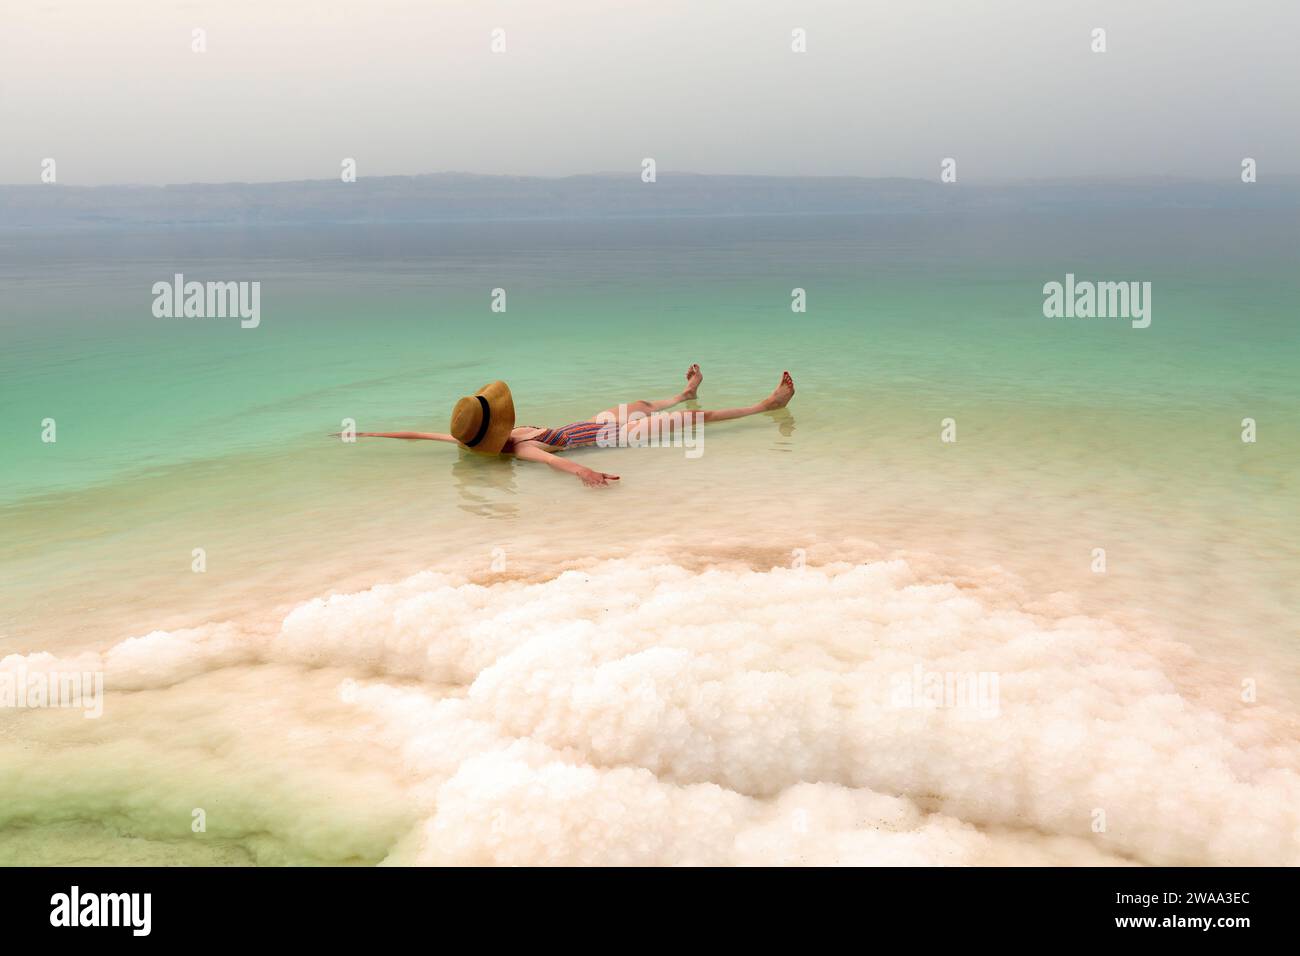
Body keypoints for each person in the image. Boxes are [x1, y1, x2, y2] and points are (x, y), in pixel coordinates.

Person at [346, 365, 795, 487]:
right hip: (614, 438)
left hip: (589, 424)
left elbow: (418, 435)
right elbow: (550, 462)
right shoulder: (516, 450)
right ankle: (767, 404)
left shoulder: (467, 439)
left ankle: (683, 392)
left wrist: (368, 432)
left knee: (642, 401)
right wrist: (586, 473)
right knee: (695, 423)